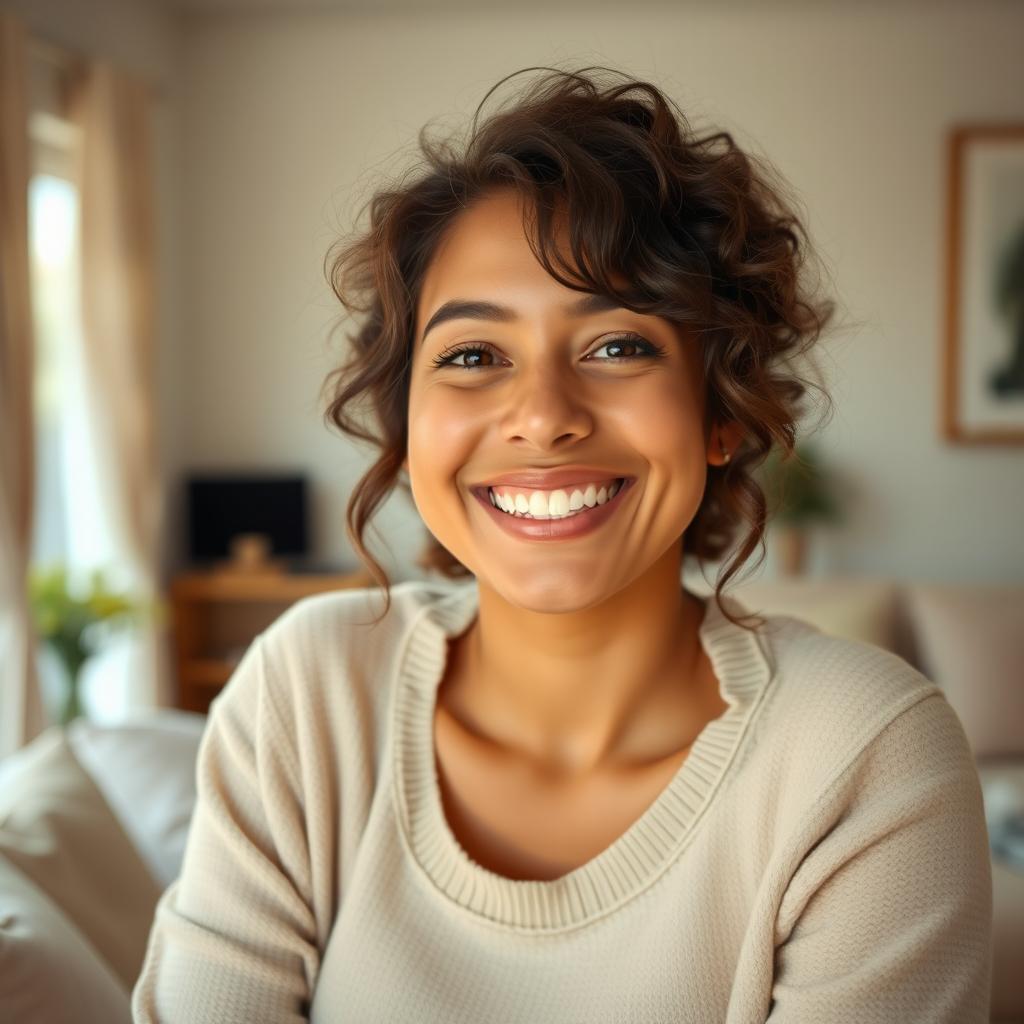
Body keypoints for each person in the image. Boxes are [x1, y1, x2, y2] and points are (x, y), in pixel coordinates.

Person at [132, 66, 993, 1023]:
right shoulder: (304, 694)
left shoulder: (865, 755)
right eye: (471, 356)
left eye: (618, 345)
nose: (542, 418)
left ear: (719, 413)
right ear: (407, 432)